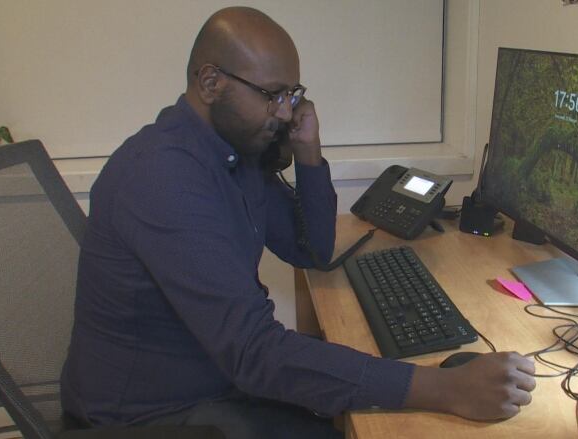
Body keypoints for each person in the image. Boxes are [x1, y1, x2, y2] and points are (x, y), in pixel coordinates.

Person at [60, 7, 536, 439]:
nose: (286, 112)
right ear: (210, 82)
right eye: (272, 95)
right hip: (152, 416)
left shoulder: (235, 154)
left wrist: (308, 153)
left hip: (212, 378)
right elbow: (255, 354)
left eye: (292, 94)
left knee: (358, 407)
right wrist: (442, 387)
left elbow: (311, 249)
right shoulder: (163, 179)